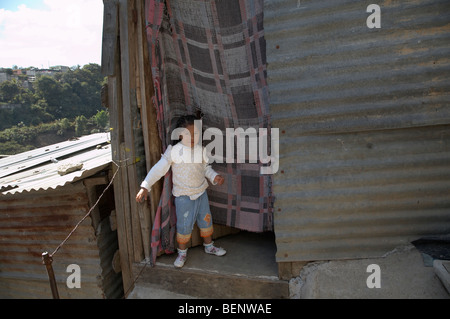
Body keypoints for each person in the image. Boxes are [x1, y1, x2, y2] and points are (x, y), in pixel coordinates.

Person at [136, 115, 226, 268]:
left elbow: (205, 168)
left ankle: (209, 246)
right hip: (183, 196)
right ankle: (182, 253)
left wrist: (214, 176)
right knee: (184, 226)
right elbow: (159, 168)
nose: (192, 137)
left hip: (201, 193)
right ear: (179, 134)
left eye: (196, 134)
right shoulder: (174, 151)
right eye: (188, 134)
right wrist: (145, 186)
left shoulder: (201, 150)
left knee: (205, 220)